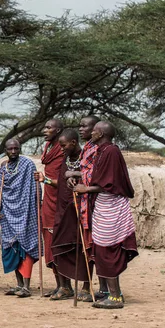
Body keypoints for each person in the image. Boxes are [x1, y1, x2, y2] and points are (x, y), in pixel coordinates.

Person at [74, 121, 138, 309]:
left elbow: (110, 183)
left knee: (107, 249)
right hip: (103, 204)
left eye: (94, 130)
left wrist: (85, 188)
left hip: (112, 205)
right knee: (102, 249)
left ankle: (116, 297)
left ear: (101, 133)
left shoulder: (110, 151)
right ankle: (112, 293)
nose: (91, 133)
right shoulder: (102, 150)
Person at [38, 128, 89, 300]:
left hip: (80, 209)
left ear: (73, 143)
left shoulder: (86, 157)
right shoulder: (66, 159)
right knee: (60, 245)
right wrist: (45, 179)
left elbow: (93, 178)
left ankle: (86, 287)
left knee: (83, 248)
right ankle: (65, 287)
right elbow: (59, 183)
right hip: (62, 209)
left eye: (63, 145)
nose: (61, 149)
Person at [65, 115, 108, 301]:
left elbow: (99, 176)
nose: (81, 129)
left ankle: (105, 289)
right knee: (90, 247)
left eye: (85, 126)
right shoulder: (88, 148)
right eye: (80, 126)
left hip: (99, 204)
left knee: (100, 247)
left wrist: (75, 173)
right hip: (85, 204)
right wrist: (74, 178)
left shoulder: (102, 149)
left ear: (96, 129)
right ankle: (97, 288)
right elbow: (86, 173)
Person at [0, 139, 39, 298]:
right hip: (7, 212)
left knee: (25, 247)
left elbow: (35, 188)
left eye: (16, 148)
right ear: (5, 150)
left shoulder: (28, 165)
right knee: (12, 247)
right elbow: (0, 190)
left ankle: (26, 286)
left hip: (26, 211)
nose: (13, 151)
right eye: (10, 149)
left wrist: (36, 205)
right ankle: (19, 284)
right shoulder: (3, 167)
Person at [33, 119, 65, 296]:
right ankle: (60, 285)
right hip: (49, 198)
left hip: (60, 199)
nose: (44, 130)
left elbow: (65, 180)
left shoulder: (63, 149)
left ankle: (66, 286)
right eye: (44, 126)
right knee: (50, 242)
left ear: (58, 130)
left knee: (59, 242)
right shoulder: (48, 148)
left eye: (49, 127)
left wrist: (44, 180)